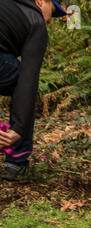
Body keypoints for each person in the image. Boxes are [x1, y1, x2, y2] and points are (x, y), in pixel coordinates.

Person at [0, 0, 66, 180]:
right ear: (40, 1)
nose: (48, 20)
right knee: (23, 85)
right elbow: (28, 80)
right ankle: (17, 161)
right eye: (51, 12)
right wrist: (18, 129)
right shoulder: (36, 23)